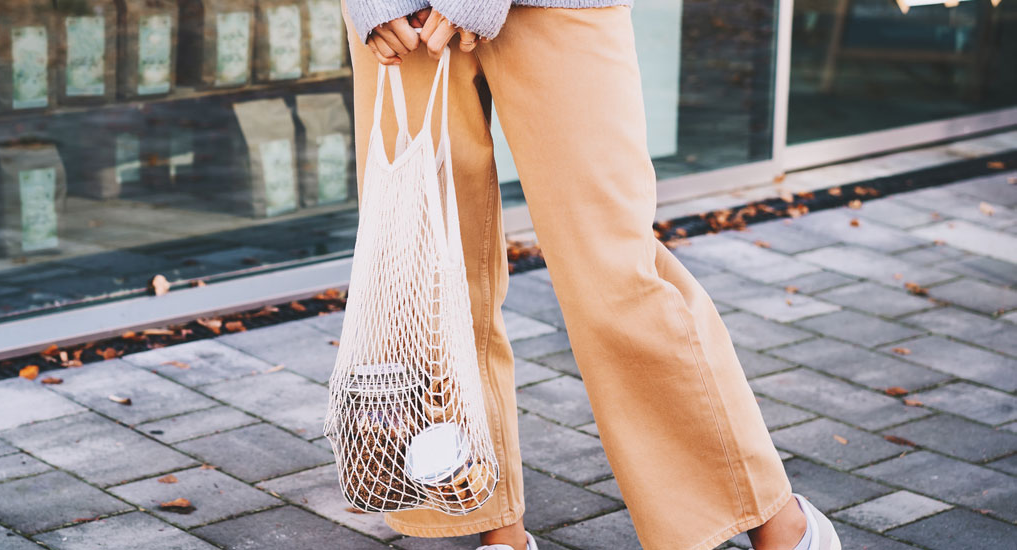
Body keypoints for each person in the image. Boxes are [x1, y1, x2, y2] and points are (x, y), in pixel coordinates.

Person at [339, 2, 840, 550]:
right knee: (424, 277)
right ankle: (494, 530)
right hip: (399, 11)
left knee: (615, 275)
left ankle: (775, 521)